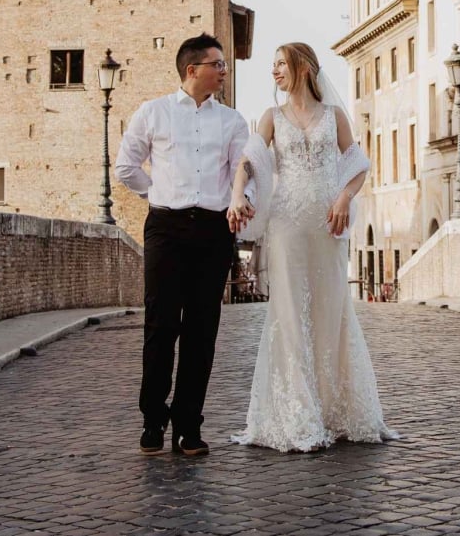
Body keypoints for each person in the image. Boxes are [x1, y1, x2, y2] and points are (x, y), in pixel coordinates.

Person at [227, 42, 396, 452]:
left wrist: (343, 198)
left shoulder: (334, 117)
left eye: (280, 63)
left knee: (329, 309)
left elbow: (357, 166)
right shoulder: (272, 118)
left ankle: (335, 409)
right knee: (288, 312)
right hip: (286, 226)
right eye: (273, 65)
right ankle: (297, 413)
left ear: (303, 67)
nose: (274, 72)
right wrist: (237, 195)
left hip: (326, 228)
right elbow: (248, 161)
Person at [115, 33, 249, 457]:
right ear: (193, 70)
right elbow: (126, 166)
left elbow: (245, 174)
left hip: (213, 230)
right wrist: (159, 193)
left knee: (202, 331)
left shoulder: (232, 121)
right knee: (160, 325)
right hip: (166, 228)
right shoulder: (152, 113)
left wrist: (240, 200)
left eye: (224, 65)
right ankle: (152, 420)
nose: (224, 71)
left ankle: (189, 426)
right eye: (218, 64)